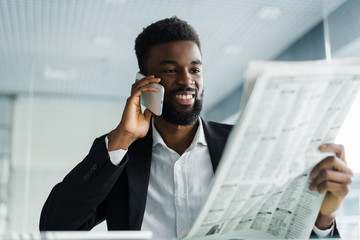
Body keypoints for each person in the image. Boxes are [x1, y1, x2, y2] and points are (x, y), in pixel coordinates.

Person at [39, 17, 353, 238]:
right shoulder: (121, 156)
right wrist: (122, 138)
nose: (188, 80)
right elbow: (56, 225)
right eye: (171, 70)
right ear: (145, 82)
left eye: (195, 69)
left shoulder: (245, 145)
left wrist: (323, 218)